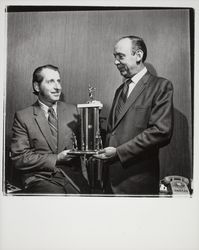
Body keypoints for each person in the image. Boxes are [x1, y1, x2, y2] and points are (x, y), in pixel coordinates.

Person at [95, 36, 174, 195]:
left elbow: (161, 132)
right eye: (114, 57)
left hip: (137, 183)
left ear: (138, 55)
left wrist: (118, 152)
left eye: (120, 56)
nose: (116, 62)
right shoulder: (120, 90)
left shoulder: (161, 86)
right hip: (110, 182)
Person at [10, 64, 89, 194]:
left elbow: (86, 145)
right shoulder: (23, 116)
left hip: (72, 178)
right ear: (37, 86)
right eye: (50, 81)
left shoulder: (73, 111)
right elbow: (20, 158)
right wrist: (56, 158)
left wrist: (92, 120)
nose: (57, 87)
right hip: (39, 178)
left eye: (58, 81)